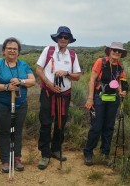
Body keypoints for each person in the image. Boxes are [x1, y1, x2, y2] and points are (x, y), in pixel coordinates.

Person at [0, 37, 36, 173]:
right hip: (1, 105)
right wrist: (6, 87)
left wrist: (21, 81)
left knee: (17, 131)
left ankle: (17, 158)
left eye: (15, 49)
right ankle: (5, 160)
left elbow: (32, 81)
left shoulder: (24, 65)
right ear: (4, 50)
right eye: (9, 48)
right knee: (4, 132)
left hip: (20, 104)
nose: (12, 51)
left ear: (19, 51)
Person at [36, 26, 81, 170]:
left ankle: (56, 149)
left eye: (66, 37)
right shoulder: (48, 51)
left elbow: (77, 76)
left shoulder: (72, 55)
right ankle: (45, 153)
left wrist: (66, 73)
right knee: (46, 122)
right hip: (48, 92)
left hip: (64, 94)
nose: (63, 39)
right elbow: (38, 69)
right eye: (61, 36)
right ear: (57, 38)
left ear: (69, 40)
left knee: (61, 122)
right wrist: (49, 84)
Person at [83, 42, 128, 166]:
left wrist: (121, 91)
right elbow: (92, 79)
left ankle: (105, 153)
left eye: (119, 51)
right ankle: (88, 153)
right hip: (99, 98)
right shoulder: (101, 62)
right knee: (96, 126)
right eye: (114, 50)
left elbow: (120, 82)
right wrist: (90, 98)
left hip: (113, 99)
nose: (117, 53)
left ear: (122, 54)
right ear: (109, 51)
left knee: (109, 127)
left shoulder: (120, 67)